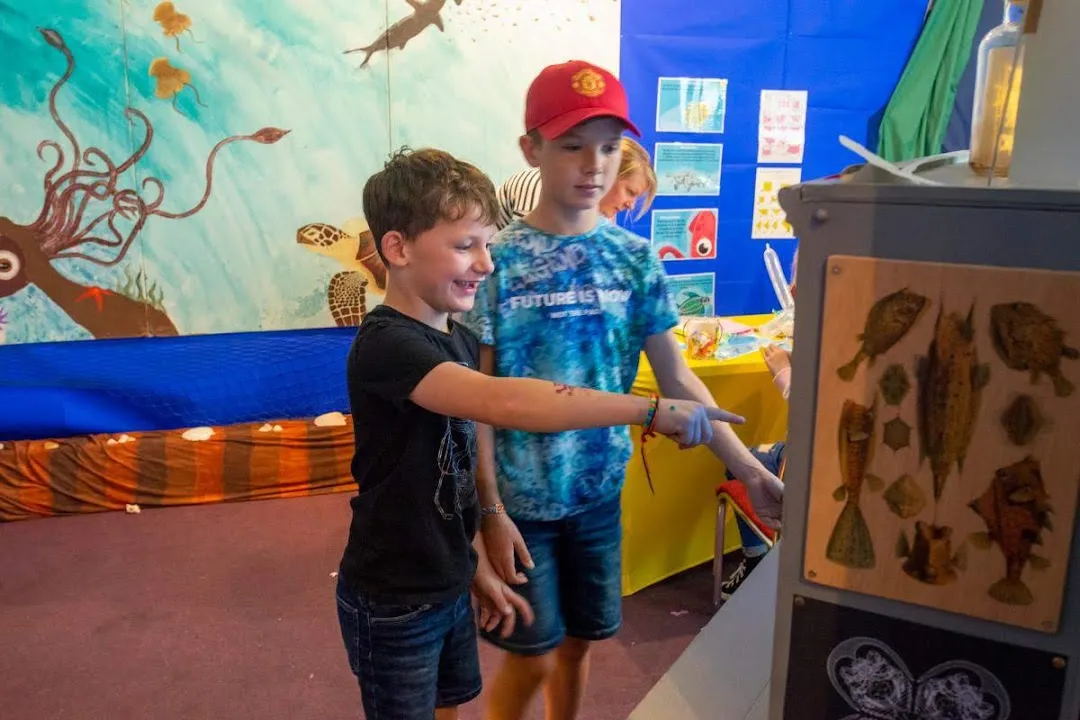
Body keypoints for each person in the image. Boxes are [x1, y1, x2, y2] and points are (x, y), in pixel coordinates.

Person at [336, 146, 743, 720]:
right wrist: (645, 410)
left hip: (444, 579)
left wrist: (472, 566)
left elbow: (439, 488)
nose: (486, 262)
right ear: (397, 248)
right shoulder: (388, 346)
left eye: (485, 242)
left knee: (452, 702)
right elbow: (506, 401)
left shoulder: (451, 337)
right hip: (394, 600)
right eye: (465, 245)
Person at [459, 60, 785, 720]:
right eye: (573, 145)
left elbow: (677, 377)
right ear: (532, 149)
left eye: (609, 146)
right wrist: (487, 512)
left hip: (598, 497)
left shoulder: (634, 259)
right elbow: (476, 401)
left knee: (580, 646)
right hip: (522, 506)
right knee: (532, 657)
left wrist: (747, 468)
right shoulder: (498, 262)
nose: (595, 165)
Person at [494, 136, 657, 229]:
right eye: (630, 192)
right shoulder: (540, 190)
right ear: (609, 173)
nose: (631, 205)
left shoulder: (599, 212)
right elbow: (526, 266)